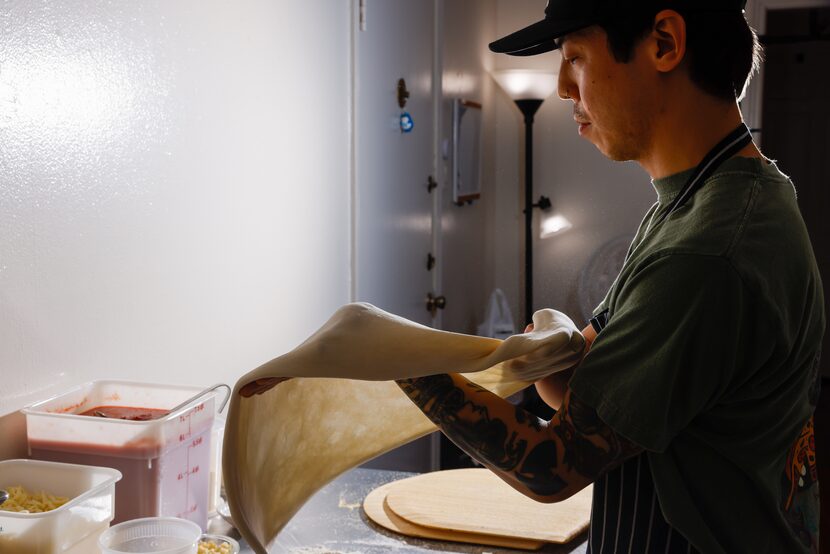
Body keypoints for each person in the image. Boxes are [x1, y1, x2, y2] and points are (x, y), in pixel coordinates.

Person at [395, 1, 825, 553]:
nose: (561, 88)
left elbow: (552, 467)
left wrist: (399, 359)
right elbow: (580, 393)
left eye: (574, 57)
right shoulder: (707, 202)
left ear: (664, 44)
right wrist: (552, 348)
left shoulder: (707, 251)